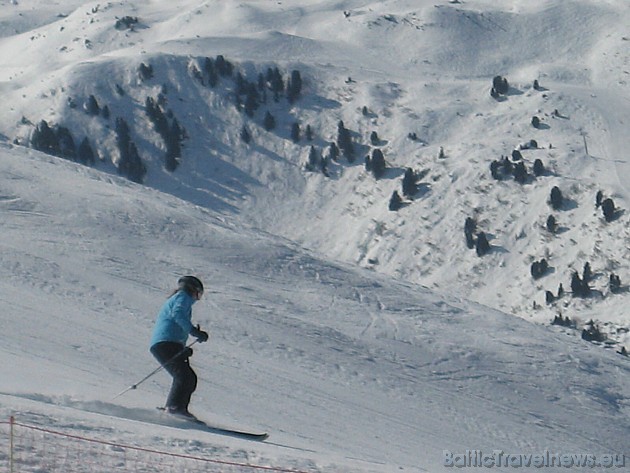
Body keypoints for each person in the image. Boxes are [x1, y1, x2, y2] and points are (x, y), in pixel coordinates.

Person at [150, 275, 209, 418]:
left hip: (168, 343)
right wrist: (194, 331)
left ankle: (176, 407)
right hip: (166, 343)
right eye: (198, 294)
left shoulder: (180, 298)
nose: (197, 298)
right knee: (184, 377)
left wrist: (182, 348)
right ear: (192, 290)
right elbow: (177, 315)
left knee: (188, 377)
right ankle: (174, 408)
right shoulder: (183, 297)